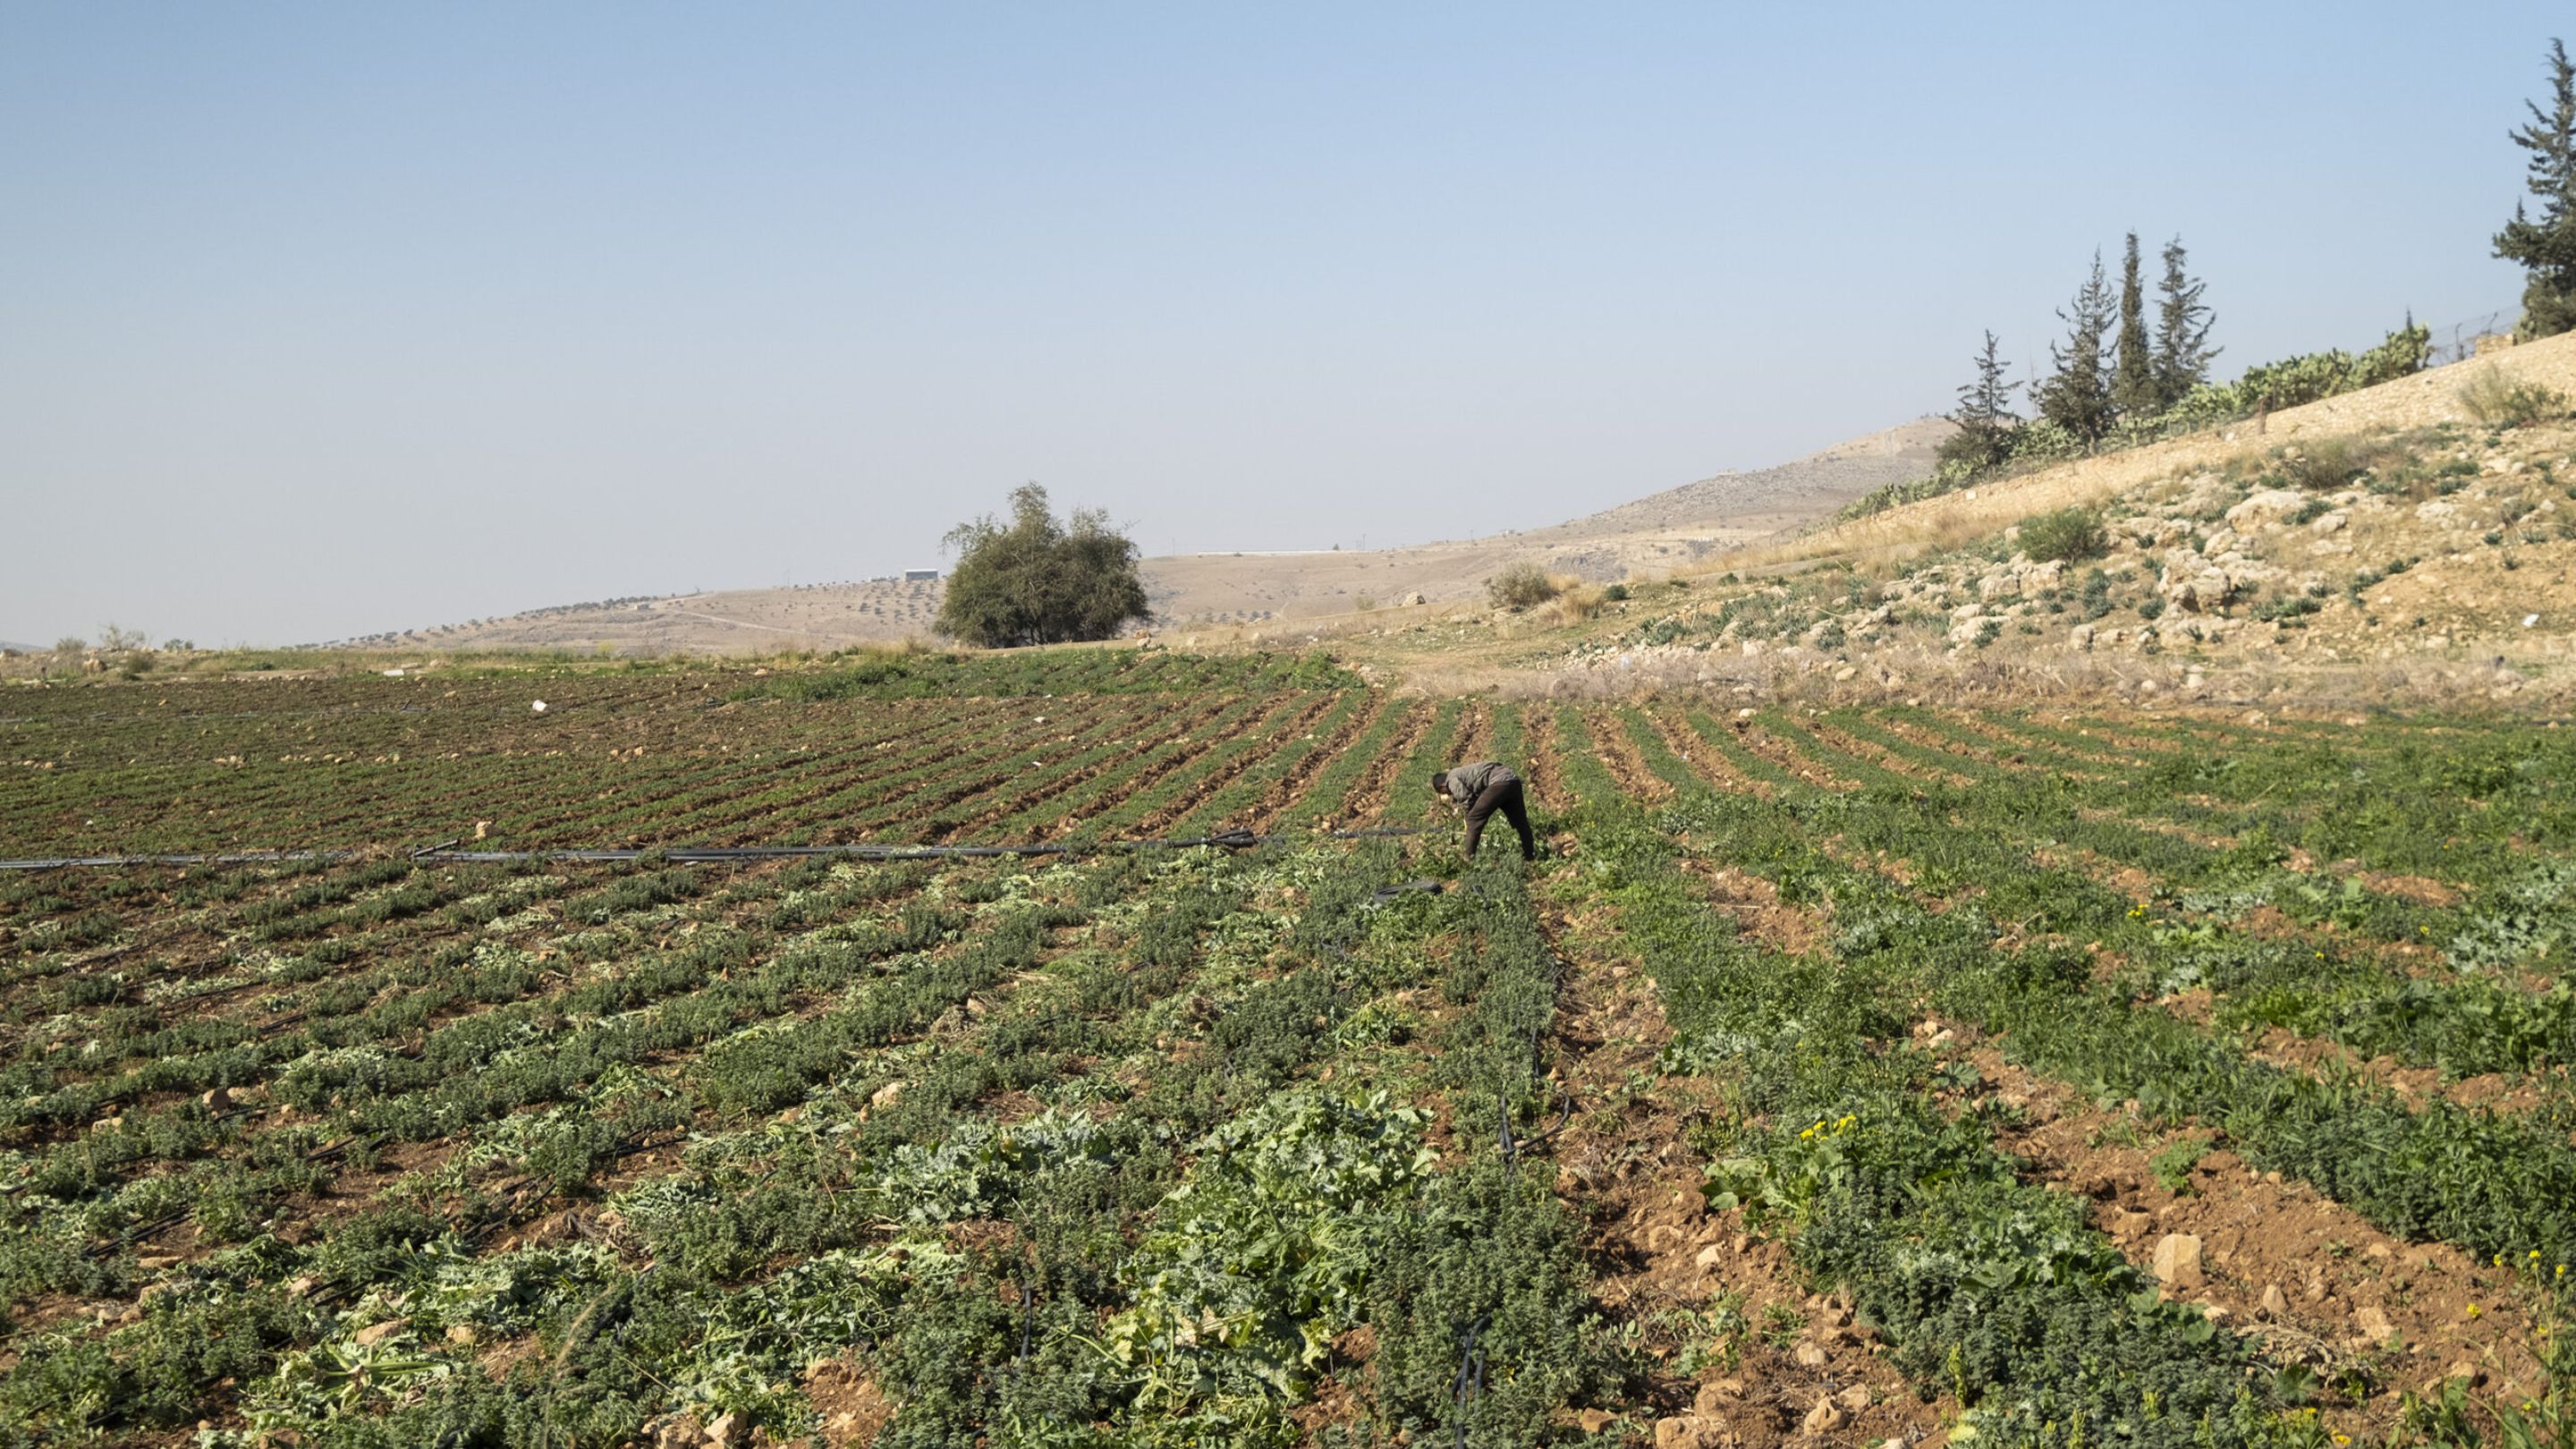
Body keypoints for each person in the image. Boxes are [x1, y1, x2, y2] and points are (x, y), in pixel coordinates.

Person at [1432, 760, 1537, 860]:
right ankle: (1530, 855)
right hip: (1513, 780)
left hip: (1499, 783)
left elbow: (1466, 798)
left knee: (1473, 820)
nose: (1448, 794)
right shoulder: (1460, 773)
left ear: (1442, 786)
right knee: (1521, 822)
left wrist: (1468, 818)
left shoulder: (1450, 780)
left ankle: (1468, 859)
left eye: (1444, 792)